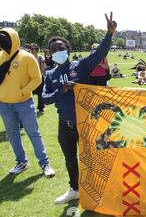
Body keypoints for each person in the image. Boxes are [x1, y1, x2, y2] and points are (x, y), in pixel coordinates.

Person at [43, 12, 117, 204]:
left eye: (61, 48)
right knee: (70, 159)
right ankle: (74, 189)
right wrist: (62, 90)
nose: (57, 51)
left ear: (67, 49)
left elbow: (99, 53)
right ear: (49, 53)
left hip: (85, 122)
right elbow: (45, 98)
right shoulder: (50, 75)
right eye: (53, 49)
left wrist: (109, 34)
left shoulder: (81, 66)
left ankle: (97, 189)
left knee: (91, 157)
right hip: (64, 123)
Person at [0, 28, 55, 177]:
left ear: (14, 38)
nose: (2, 41)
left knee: (33, 133)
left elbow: (37, 79)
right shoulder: (0, 56)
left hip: (24, 102)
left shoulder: (27, 57)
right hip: (4, 104)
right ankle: (21, 162)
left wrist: (22, 91)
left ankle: (45, 163)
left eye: (5, 38)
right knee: (12, 134)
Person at [30, 43, 46, 113]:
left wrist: (38, 76)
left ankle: (41, 108)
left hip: (39, 78)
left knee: (40, 94)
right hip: (30, 78)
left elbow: (43, 68)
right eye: (32, 49)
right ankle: (29, 107)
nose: (34, 50)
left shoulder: (40, 57)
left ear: (37, 49)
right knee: (29, 94)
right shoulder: (29, 57)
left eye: (35, 49)